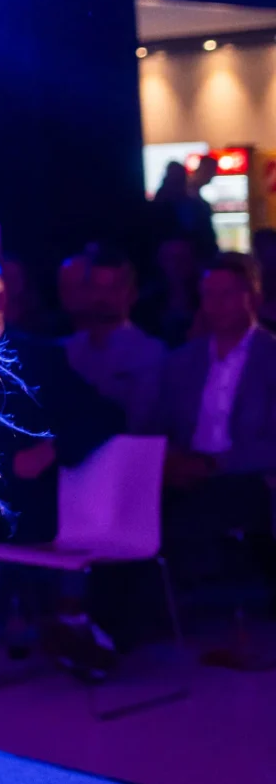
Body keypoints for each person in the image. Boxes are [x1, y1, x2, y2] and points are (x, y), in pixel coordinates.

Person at [0, 252, 125, 675]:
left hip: (2, 494)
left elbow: (105, 414)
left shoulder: (36, 358)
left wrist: (50, 449)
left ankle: (25, 620)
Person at [158, 250, 276, 587]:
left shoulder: (270, 358)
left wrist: (213, 464)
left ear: (252, 297)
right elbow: (161, 424)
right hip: (185, 471)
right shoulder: (182, 361)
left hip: (249, 477)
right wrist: (171, 461)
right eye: (208, 294)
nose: (215, 304)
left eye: (226, 294)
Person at [63, 244, 163, 433]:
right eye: (96, 287)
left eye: (112, 288)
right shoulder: (68, 350)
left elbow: (142, 424)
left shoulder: (151, 353)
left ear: (131, 293)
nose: (103, 297)